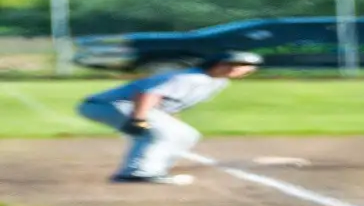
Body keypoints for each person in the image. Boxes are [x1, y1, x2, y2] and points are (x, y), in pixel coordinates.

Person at [76, 51, 264, 186]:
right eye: (238, 64)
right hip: (108, 105)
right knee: (161, 134)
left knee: (187, 135)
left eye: (246, 66)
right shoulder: (190, 78)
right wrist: (138, 119)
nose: (243, 69)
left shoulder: (217, 82)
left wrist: (172, 122)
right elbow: (147, 94)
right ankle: (138, 173)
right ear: (218, 65)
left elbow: (171, 104)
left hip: (123, 105)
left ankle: (155, 170)